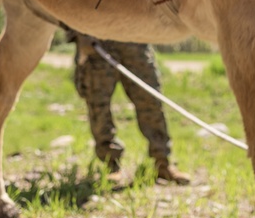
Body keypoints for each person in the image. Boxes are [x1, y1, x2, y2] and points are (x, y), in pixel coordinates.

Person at [71, 31, 191, 185]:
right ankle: (111, 164)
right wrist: (78, 34)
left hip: (134, 38)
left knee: (150, 100)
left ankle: (163, 162)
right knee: (98, 105)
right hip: (96, 39)